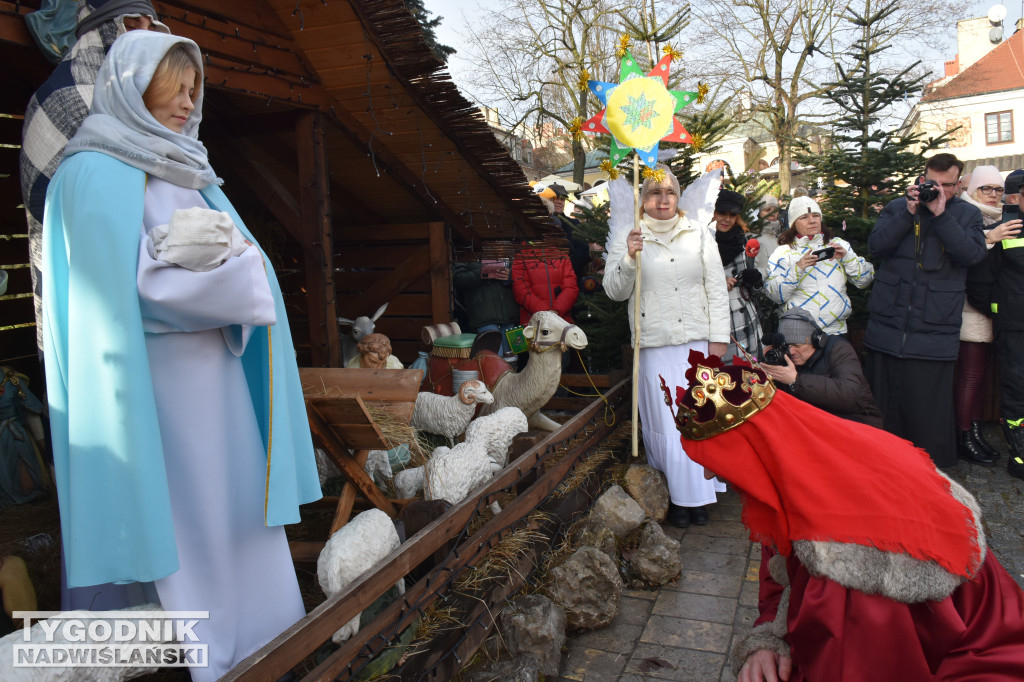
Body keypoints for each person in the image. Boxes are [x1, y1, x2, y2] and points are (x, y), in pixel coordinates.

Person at [41, 32, 321, 680]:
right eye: (174, 85)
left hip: (218, 380)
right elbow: (126, 289)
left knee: (238, 517)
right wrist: (242, 280)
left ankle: (268, 643)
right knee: (184, 530)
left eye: (194, 88)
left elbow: (228, 257)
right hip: (153, 397)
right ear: (131, 84)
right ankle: (211, 658)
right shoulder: (91, 172)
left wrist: (237, 272)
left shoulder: (186, 169)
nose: (187, 100)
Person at [660, 351, 1024, 682]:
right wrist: (767, 641)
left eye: (716, 463)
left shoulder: (845, 561)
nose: (709, 476)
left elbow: (855, 666)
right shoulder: (808, 475)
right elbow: (783, 583)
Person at [21, 0, 168, 351]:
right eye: (132, 26)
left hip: (147, 267)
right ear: (105, 30)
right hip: (81, 272)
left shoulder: (143, 104)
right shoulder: (64, 98)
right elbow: (56, 206)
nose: (142, 38)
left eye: (151, 28)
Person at [602, 167, 730, 527]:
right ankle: (674, 496)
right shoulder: (631, 235)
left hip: (697, 344)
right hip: (656, 346)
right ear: (642, 199)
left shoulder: (699, 234)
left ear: (678, 197)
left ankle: (699, 496)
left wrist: (718, 342)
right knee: (667, 425)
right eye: (654, 192)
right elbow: (615, 291)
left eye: (669, 192)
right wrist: (629, 257)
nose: (662, 199)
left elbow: (716, 288)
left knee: (699, 421)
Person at [863, 153, 986, 468]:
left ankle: (929, 466)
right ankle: (884, 460)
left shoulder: (967, 215)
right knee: (885, 400)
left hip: (934, 325)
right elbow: (876, 247)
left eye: (948, 185)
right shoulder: (897, 207)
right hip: (890, 324)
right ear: (922, 179)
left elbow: (971, 255)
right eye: (935, 184)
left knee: (927, 405)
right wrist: (908, 213)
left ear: (958, 184)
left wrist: (941, 215)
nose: (940, 191)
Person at [953, 166, 1017, 465]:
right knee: (970, 377)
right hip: (971, 308)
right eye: (986, 189)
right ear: (973, 190)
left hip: (993, 311)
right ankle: (964, 435)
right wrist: (990, 238)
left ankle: (975, 431)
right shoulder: (967, 216)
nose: (993, 195)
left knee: (978, 379)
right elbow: (966, 260)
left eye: (998, 189)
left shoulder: (1001, 217)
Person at [764, 196, 874, 335]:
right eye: (804, 217)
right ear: (793, 223)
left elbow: (865, 281)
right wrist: (797, 269)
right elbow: (774, 295)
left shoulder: (839, 245)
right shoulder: (783, 252)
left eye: (816, 215)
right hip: (799, 335)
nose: (812, 220)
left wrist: (848, 258)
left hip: (836, 332)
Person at [760, 309, 882, 427]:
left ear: (817, 340)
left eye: (798, 345)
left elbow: (848, 394)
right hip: (817, 419)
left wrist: (796, 380)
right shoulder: (788, 356)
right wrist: (772, 368)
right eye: (788, 346)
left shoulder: (839, 349)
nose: (792, 351)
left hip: (857, 420)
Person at [713, 189, 764, 361]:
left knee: (752, 376)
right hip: (718, 323)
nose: (727, 219)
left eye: (733, 214)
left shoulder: (743, 240)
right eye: (722, 213)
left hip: (746, 317)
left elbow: (757, 290)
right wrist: (717, 284)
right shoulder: (699, 241)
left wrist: (755, 281)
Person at [453, 259, 520, 357]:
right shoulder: (467, 254)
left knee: (513, 357)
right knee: (493, 358)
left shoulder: (504, 249)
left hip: (509, 315)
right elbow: (459, 279)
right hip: (484, 316)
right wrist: (484, 272)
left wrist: (510, 276)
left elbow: (522, 275)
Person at [511, 242, 579, 325]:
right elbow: (521, 291)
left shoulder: (562, 256)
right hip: (534, 321)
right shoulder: (521, 257)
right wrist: (546, 313)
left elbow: (571, 288)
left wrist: (556, 310)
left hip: (561, 321)